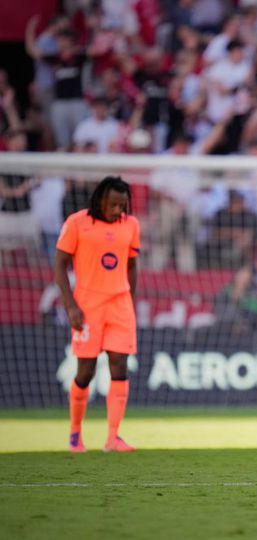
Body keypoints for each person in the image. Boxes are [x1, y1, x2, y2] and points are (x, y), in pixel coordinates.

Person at [54, 177, 140, 452]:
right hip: (88, 306)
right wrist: (70, 306)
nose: (117, 210)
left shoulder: (131, 225)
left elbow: (131, 266)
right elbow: (60, 265)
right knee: (86, 371)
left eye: (122, 205)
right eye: (113, 204)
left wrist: (130, 302)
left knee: (119, 364)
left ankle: (113, 437)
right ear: (100, 199)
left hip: (120, 304)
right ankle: (75, 434)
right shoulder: (77, 223)